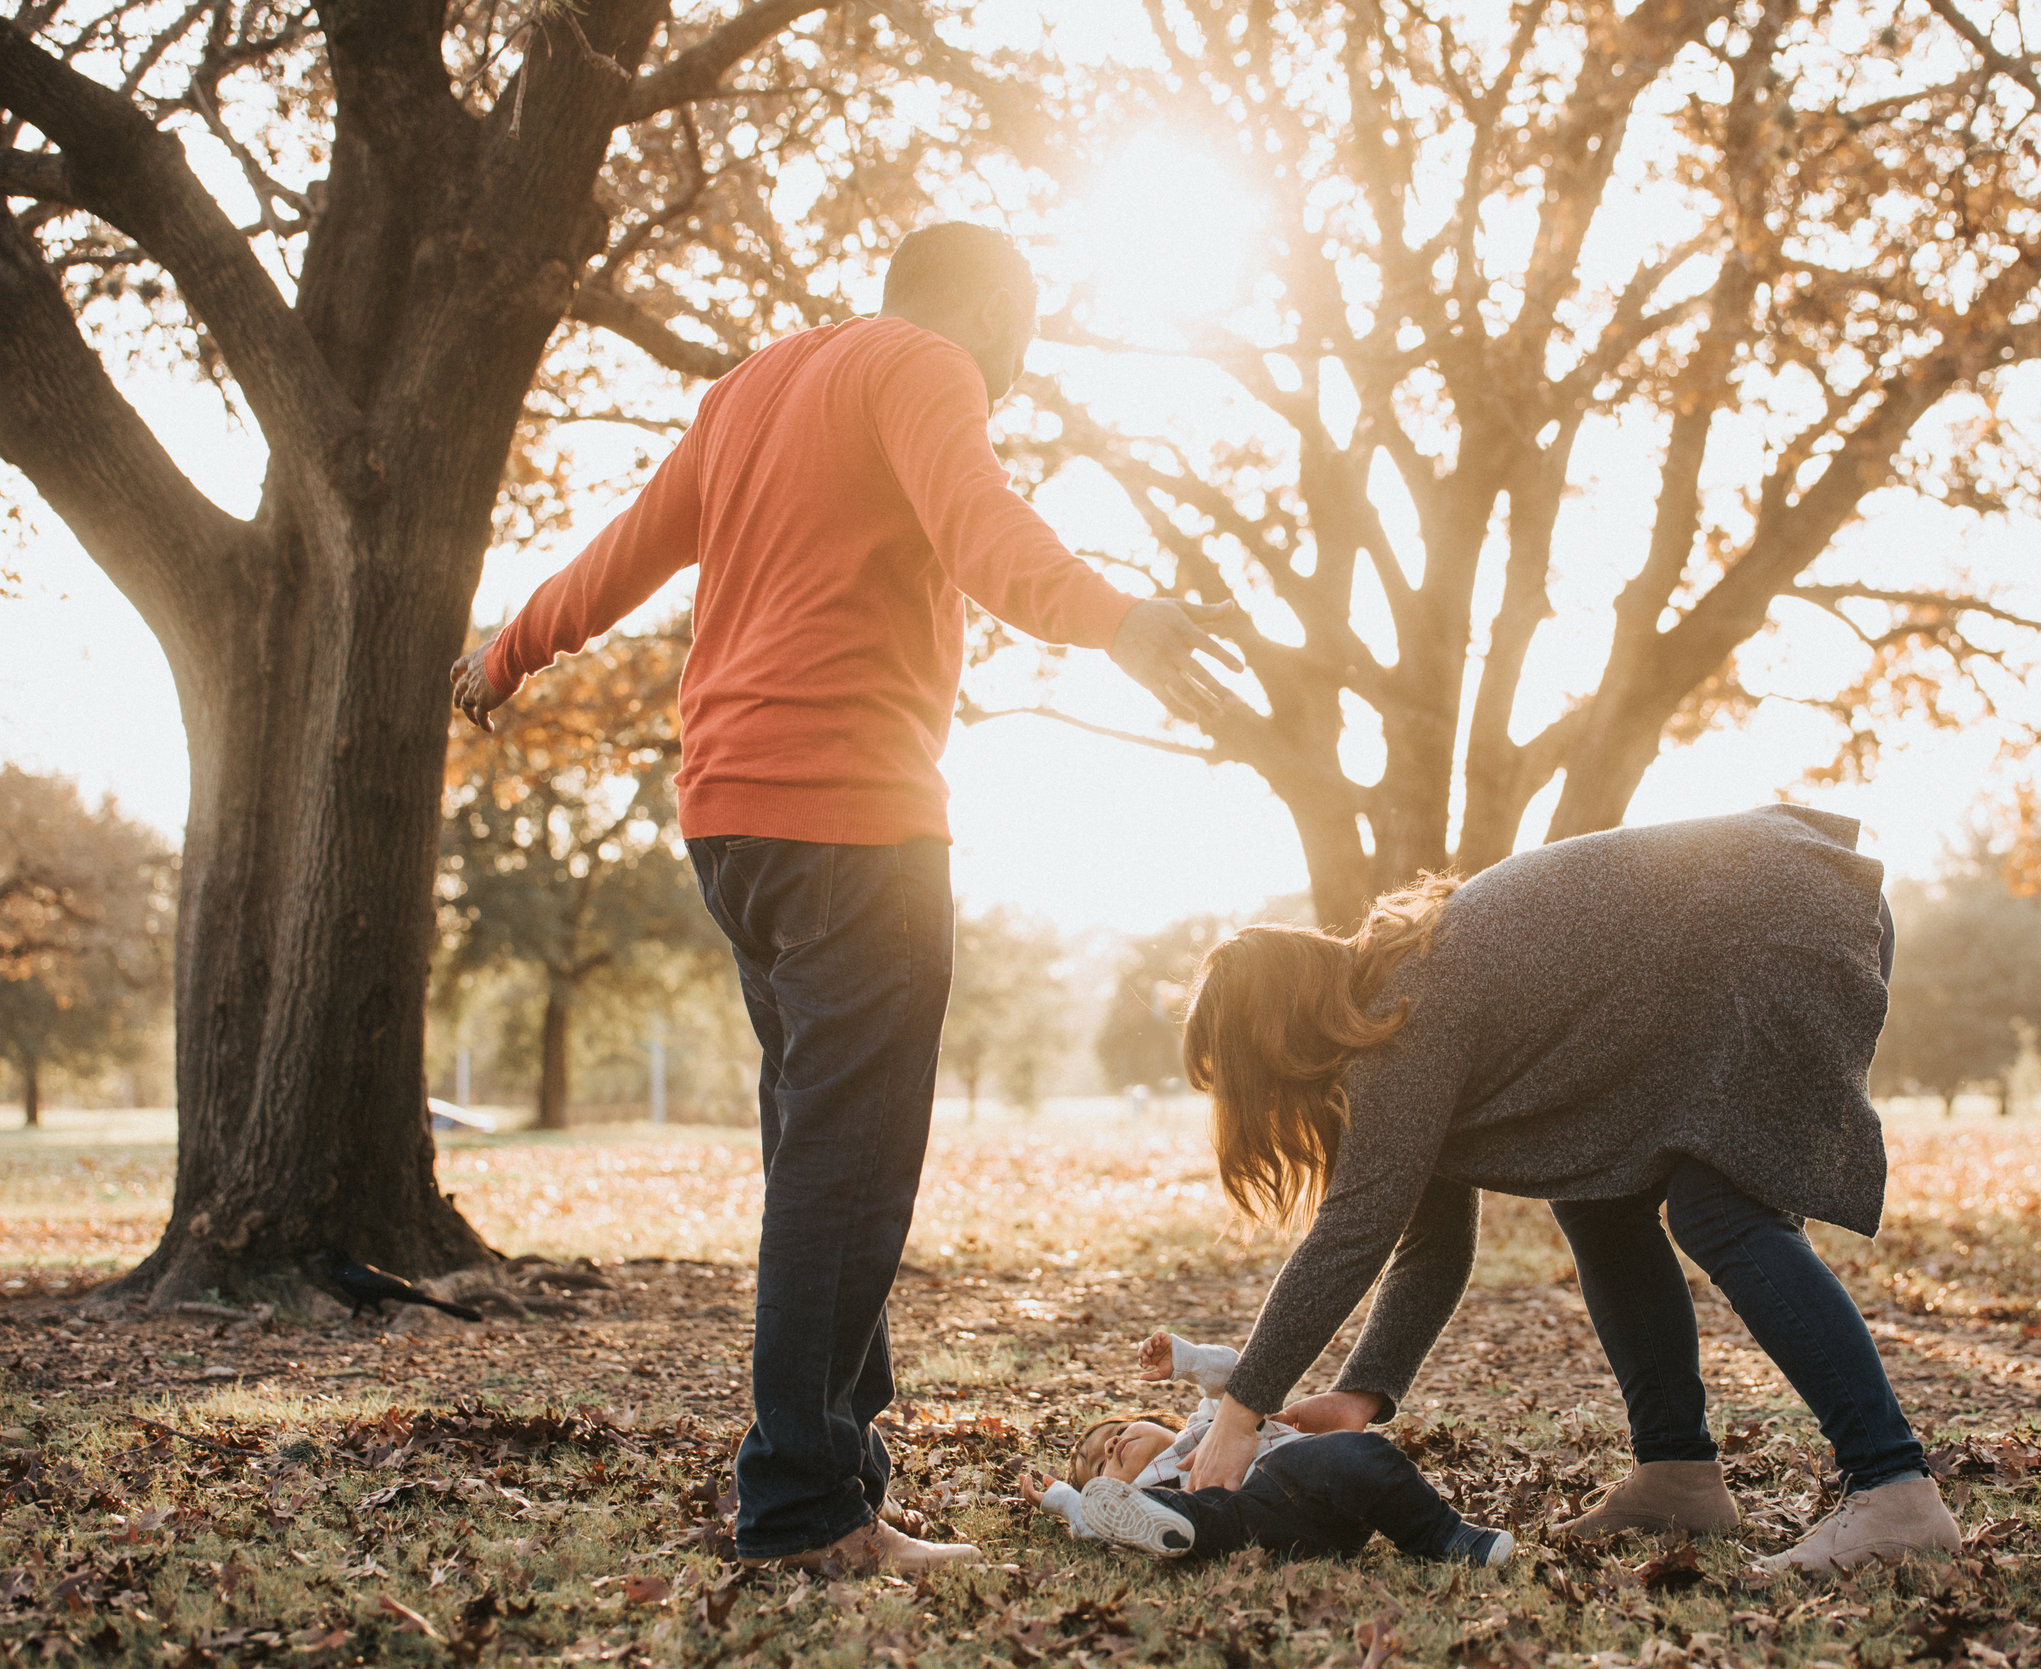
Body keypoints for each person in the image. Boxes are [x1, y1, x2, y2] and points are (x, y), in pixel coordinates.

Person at [446, 223, 1240, 1576]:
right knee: (843, 1171)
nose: (1018, 365)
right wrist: (1118, 620)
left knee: (820, 1154)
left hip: (731, 824)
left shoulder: (751, 387)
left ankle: (839, 1486)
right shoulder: (927, 367)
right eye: (1023, 332)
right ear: (985, 309)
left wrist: (509, 649)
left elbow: (632, 548)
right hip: (854, 823)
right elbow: (982, 527)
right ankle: (804, 1512)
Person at [1175, 806, 1964, 1573]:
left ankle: (1894, 1484)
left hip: (1784, 915)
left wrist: (1240, 1415)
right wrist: (1361, 1395)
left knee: (1718, 1208)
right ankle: (1678, 1475)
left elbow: (1353, 1235)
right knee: (1598, 1199)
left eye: (1244, 1084)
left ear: (1274, 1043)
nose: (1258, 1107)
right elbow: (1432, 1246)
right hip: (1734, 933)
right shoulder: (1394, 1015)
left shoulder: (1402, 1017)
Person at [1019, 1328, 1513, 1567]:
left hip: (1318, 1480)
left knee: (1361, 1456)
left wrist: (1187, 1359)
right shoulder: (1152, 1489)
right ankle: (1168, 1525)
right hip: (1267, 1527)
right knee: (1205, 1516)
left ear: (1156, 1422)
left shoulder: (1208, 1421)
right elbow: (1096, 1526)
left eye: (1115, 1434)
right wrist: (1068, 1502)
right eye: (1102, 1464)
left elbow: (1239, 1377)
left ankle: (1450, 1537)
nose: (1114, 1448)